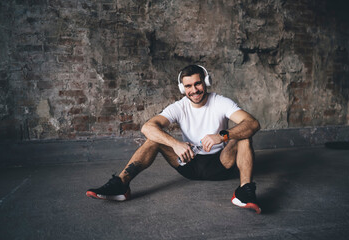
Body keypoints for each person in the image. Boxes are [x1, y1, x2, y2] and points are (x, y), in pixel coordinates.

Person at [86, 65, 261, 214]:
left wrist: (222, 136)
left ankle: (244, 192)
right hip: (188, 163)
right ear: (182, 88)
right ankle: (121, 185)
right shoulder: (179, 107)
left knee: (244, 137)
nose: (194, 90)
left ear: (206, 82)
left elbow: (253, 123)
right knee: (154, 139)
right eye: (188, 86)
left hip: (220, 164)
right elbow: (147, 127)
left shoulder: (220, 102)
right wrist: (175, 144)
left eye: (198, 83)